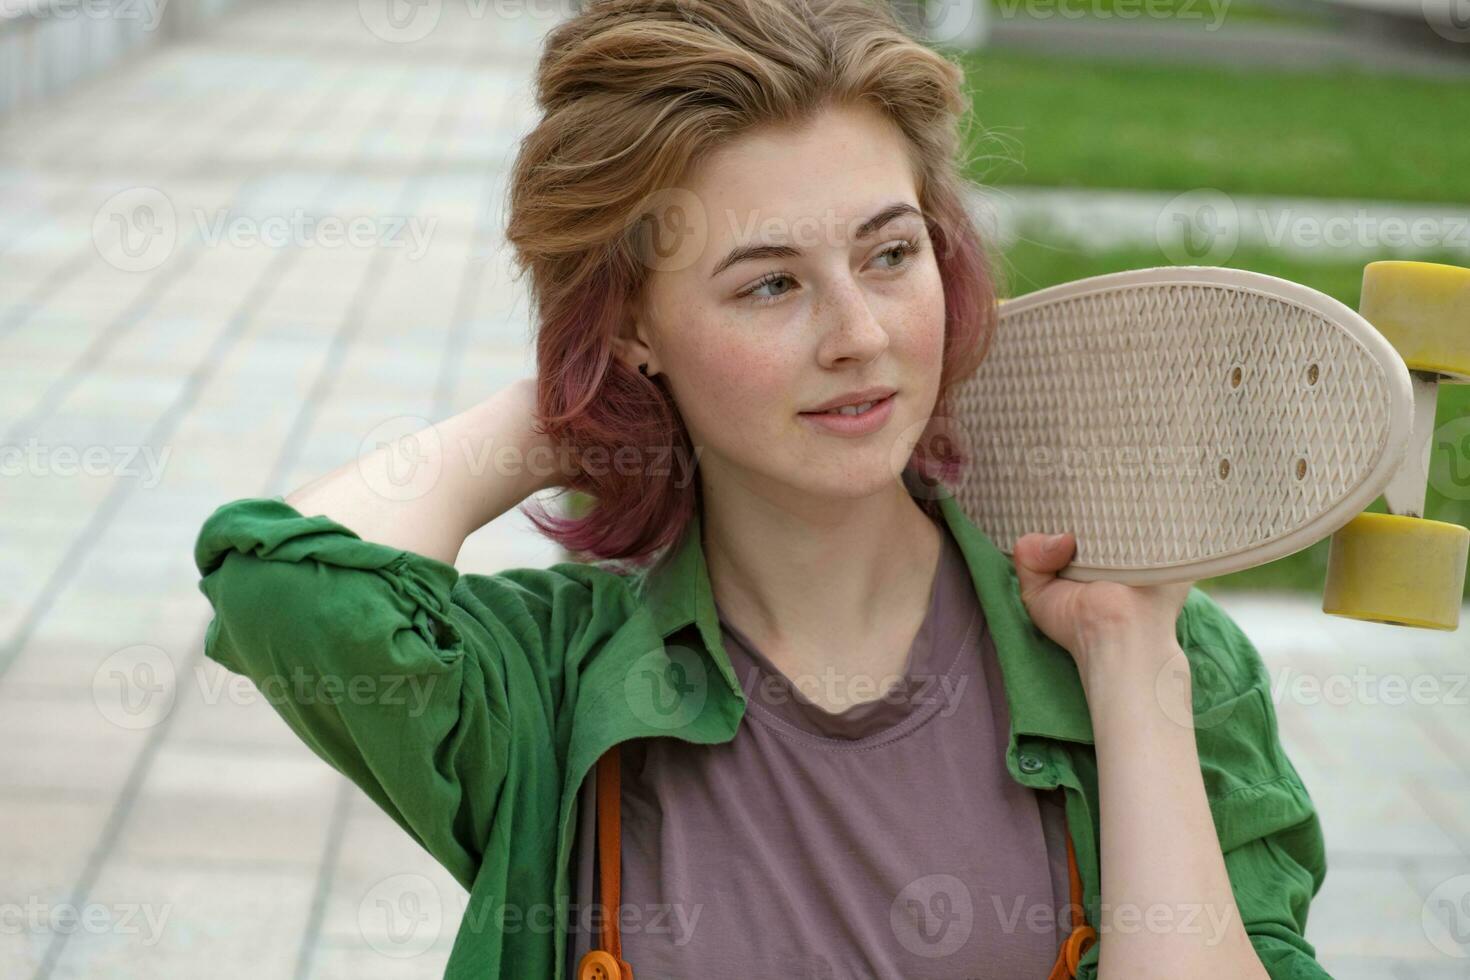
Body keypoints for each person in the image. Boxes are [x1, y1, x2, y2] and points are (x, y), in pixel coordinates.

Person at [191, 2, 1330, 978]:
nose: (861, 334)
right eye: (771, 283)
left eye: (890, 253)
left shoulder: (1147, 659)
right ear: (638, 323)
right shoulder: (552, 683)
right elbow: (279, 584)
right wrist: (567, 405)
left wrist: (1133, 669)